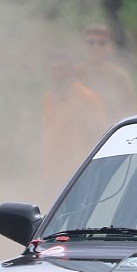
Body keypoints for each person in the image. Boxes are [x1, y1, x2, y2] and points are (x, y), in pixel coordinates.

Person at [41, 52, 107, 181]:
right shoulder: (47, 99)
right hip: (51, 172)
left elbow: (99, 132)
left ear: (71, 70)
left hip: (78, 171)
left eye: (62, 69)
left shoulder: (87, 97)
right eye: (53, 69)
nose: (57, 74)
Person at [73, 23, 137, 118]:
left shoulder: (119, 77)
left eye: (102, 43)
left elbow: (131, 110)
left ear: (110, 47)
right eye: (90, 43)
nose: (96, 47)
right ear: (82, 46)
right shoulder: (73, 74)